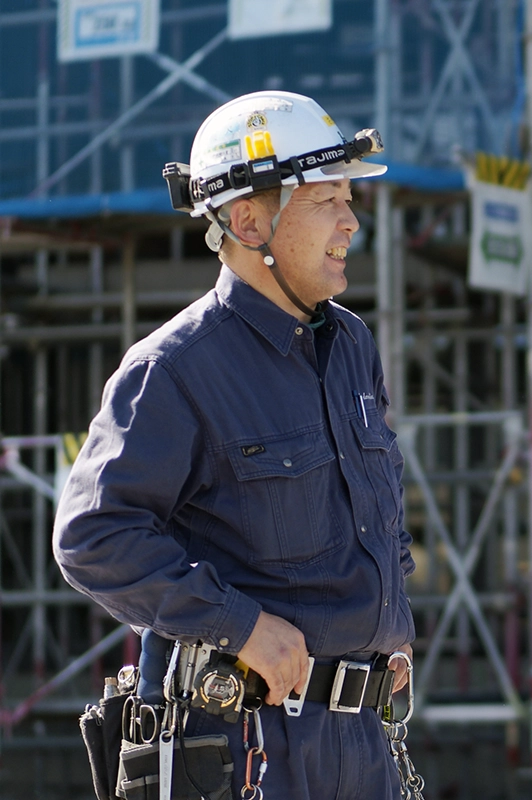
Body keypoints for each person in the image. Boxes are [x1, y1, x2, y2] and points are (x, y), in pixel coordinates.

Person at [54, 91, 414, 799]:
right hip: (240, 744)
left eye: (349, 198)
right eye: (324, 200)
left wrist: (390, 622)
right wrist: (240, 626)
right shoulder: (175, 369)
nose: (350, 221)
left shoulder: (351, 345)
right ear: (248, 221)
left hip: (361, 740)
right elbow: (94, 538)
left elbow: (379, 504)